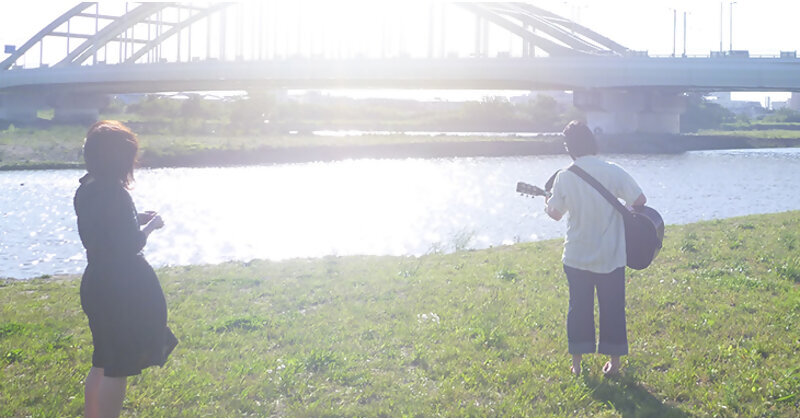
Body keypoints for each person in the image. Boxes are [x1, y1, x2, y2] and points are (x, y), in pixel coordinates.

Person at [74, 120, 177, 417]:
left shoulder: (86, 188)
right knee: (117, 367)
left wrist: (135, 217)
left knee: (102, 360)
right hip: (119, 288)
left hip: (96, 281)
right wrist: (151, 226)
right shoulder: (116, 193)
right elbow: (130, 243)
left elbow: (105, 228)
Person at [544, 121, 646, 377]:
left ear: (569, 147)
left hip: (576, 255)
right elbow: (640, 200)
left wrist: (547, 202)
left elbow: (555, 213)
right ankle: (614, 364)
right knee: (612, 308)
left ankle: (577, 365)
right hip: (611, 254)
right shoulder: (613, 171)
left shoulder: (564, 176)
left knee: (578, 308)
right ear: (592, 141)